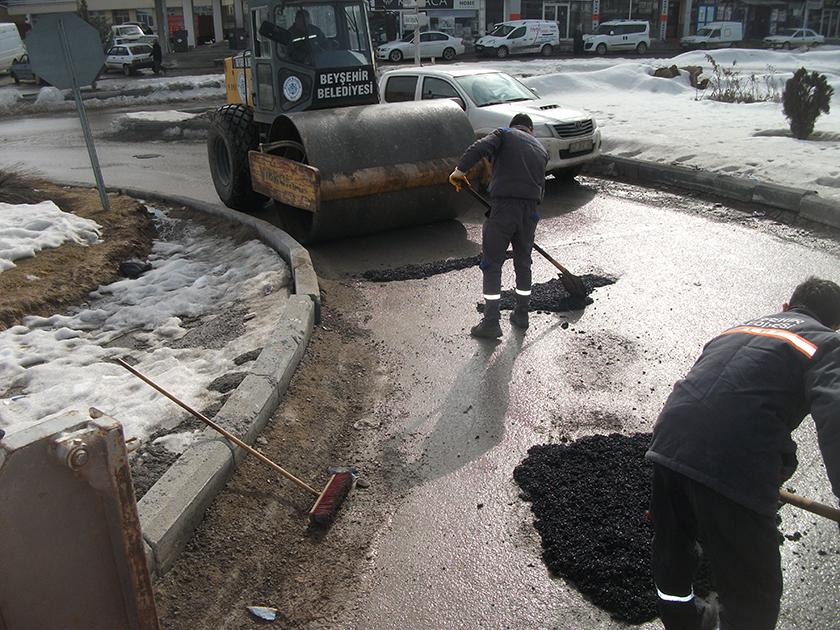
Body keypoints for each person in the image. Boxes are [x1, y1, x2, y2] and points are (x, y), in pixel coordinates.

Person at [646, 277, 840, 630]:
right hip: (732, 462)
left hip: (668, 445)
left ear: (786, 307)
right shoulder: (826, 342)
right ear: (837, 324)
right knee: (754, 595)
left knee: (672, 550)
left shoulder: (737, 329)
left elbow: (729, 400)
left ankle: (684, 621)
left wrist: (779, 466)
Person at [449, 114, 549, 338]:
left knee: (492, 263)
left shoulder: (504, 134)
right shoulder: (541, 149)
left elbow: (479, 147)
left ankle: (492, 322)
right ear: (530, 129)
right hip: (530, 211)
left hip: (504, 208)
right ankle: (521, 314)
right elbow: (541, 187)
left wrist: (460, 171)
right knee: (523, 262)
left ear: (514, 125)